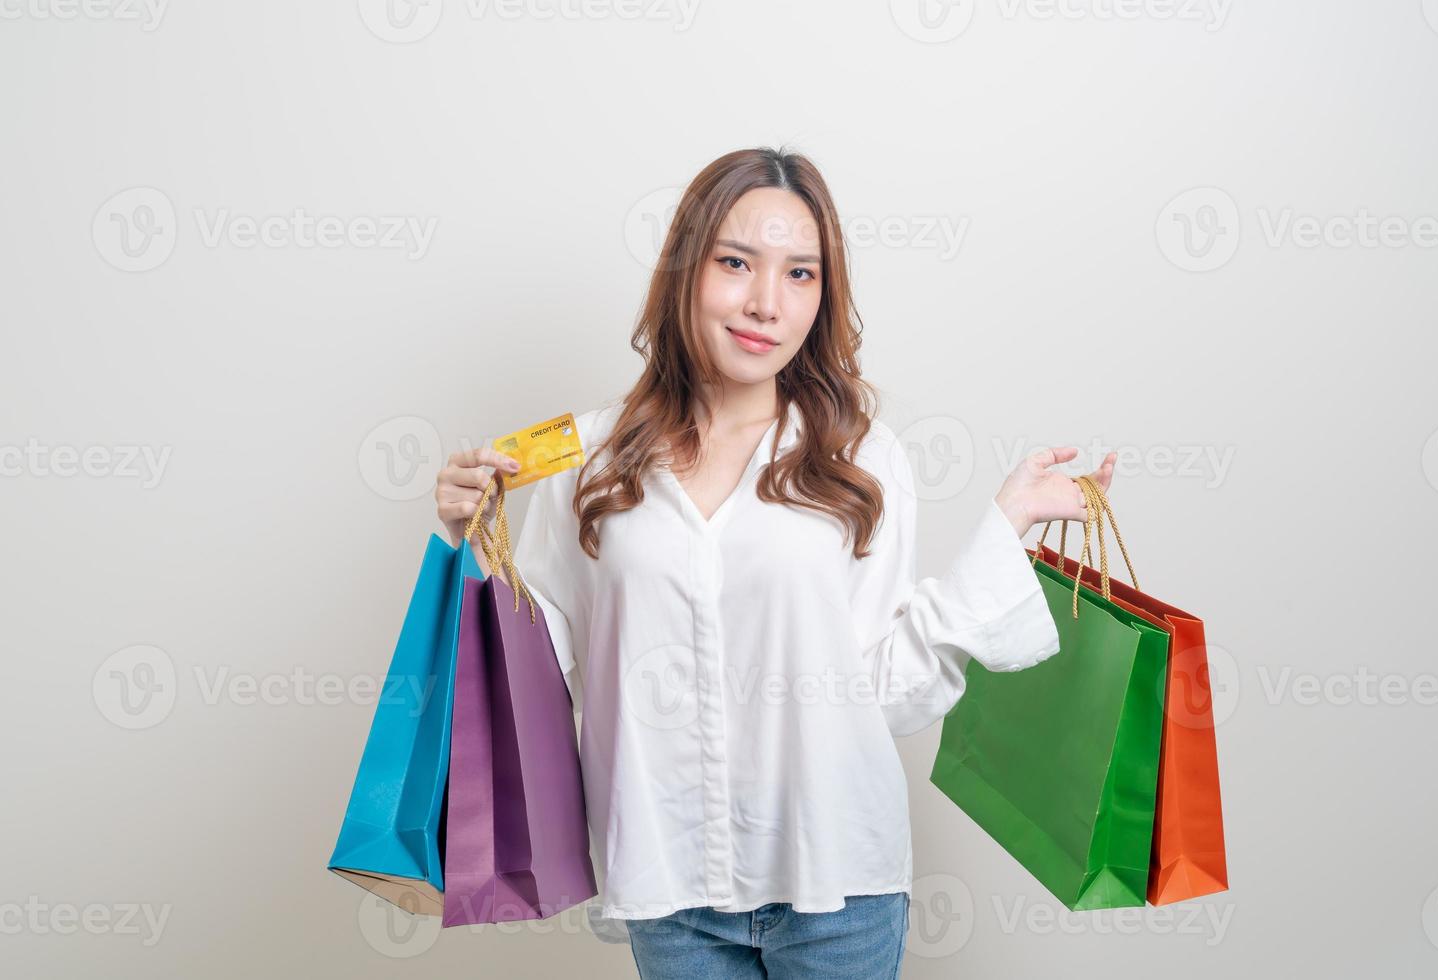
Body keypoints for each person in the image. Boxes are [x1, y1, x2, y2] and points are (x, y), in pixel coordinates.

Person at [432, 146, 1115, 979]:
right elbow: (534, 675)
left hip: (838, 887)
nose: (765, 303)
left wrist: (1002, 530)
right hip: (668, 886)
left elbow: (886, 691)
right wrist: (468, 541)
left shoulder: (863, 459)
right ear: (686, 268)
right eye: (735, 263)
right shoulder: (589, 459)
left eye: (801, 274)